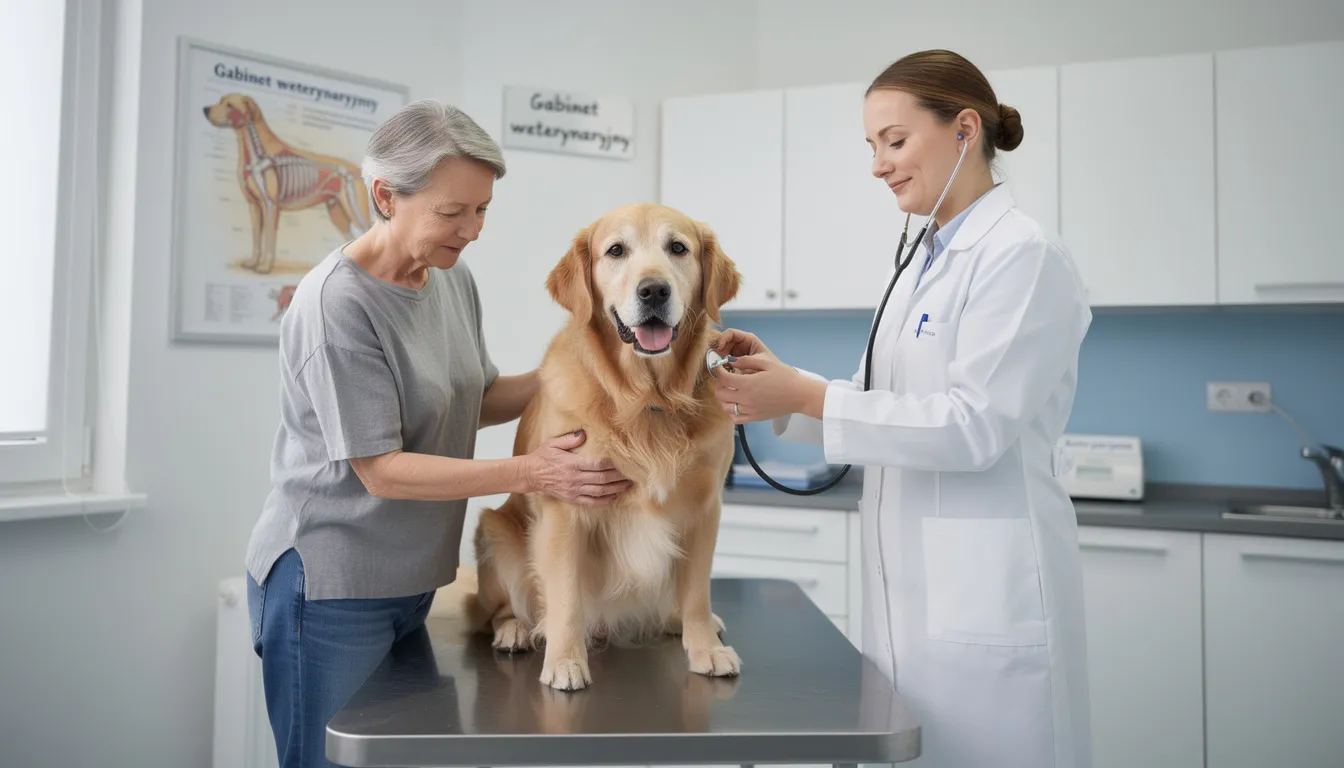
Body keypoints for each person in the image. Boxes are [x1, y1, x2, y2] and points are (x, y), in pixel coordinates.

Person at [712, 50, 1093, 768]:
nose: (879, 165)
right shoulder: (923, 259)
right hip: (910, 606)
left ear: (964, 130)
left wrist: (803, 395)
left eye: (895, 140)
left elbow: (972, 425)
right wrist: (781, 382)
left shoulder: (1021, 256)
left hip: (987, 602)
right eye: (872, 147)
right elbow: (881, 397)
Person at [243, 99, 632, 768]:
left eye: (482, 210)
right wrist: (532, 472)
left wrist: (585, 360)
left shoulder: (450, 278)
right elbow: (383, 469)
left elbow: (475, 400)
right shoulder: (338, 303)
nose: (472, 229)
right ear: (385, 196)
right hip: (330, 587)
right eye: (452, 213)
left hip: (412, 582)